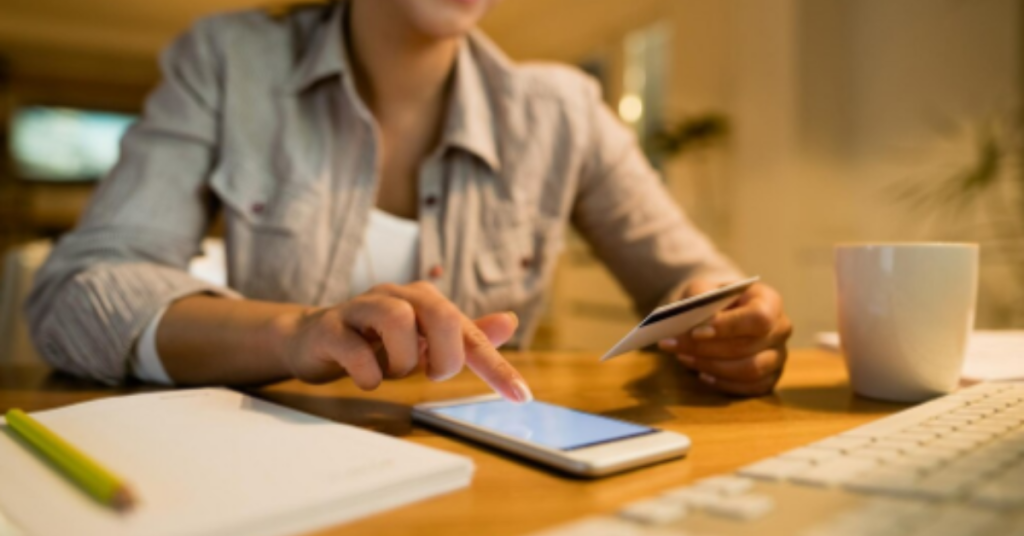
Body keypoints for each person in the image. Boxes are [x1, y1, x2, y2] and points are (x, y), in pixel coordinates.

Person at [26, 0, 792, 401]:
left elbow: (696, 279)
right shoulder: (229, 64)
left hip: (490, 485)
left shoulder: (564, 110)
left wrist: (730, 322)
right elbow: (78, 294)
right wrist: (297, 334)